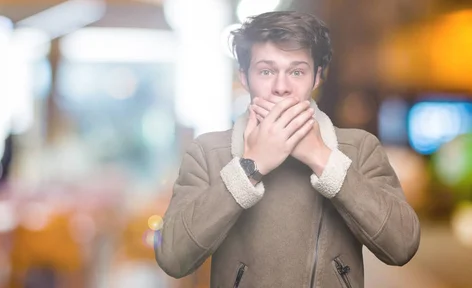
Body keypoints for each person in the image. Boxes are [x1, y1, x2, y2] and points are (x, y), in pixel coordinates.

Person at [155, 11, 420, 287]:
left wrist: (323, 158)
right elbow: (172, 258)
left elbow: (402, 246)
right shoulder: (209, 152)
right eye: (266, 71)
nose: (281, 87)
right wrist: (250, 166)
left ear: (316, 78)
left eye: (296, 71)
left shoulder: (359, 148)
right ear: (244, 77)